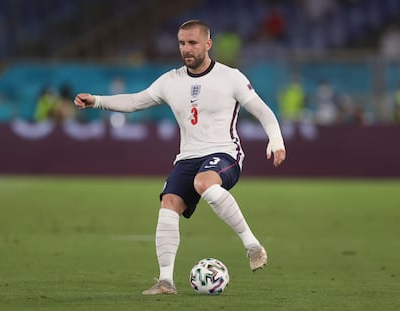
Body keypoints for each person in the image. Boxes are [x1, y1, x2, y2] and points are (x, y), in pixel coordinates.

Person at [74, 19, 286, 295]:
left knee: (204, 183)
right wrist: (98, 101)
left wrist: (276, 139)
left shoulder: (230, 77)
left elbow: (262, 110)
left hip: (224, 152)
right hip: (187, 157)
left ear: (208, 44)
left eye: (193, 43)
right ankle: (165, 281)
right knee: (169, 202)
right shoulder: (170, 81)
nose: (187, 49)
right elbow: (136, 101)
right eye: (182, 43)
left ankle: (252, 245)